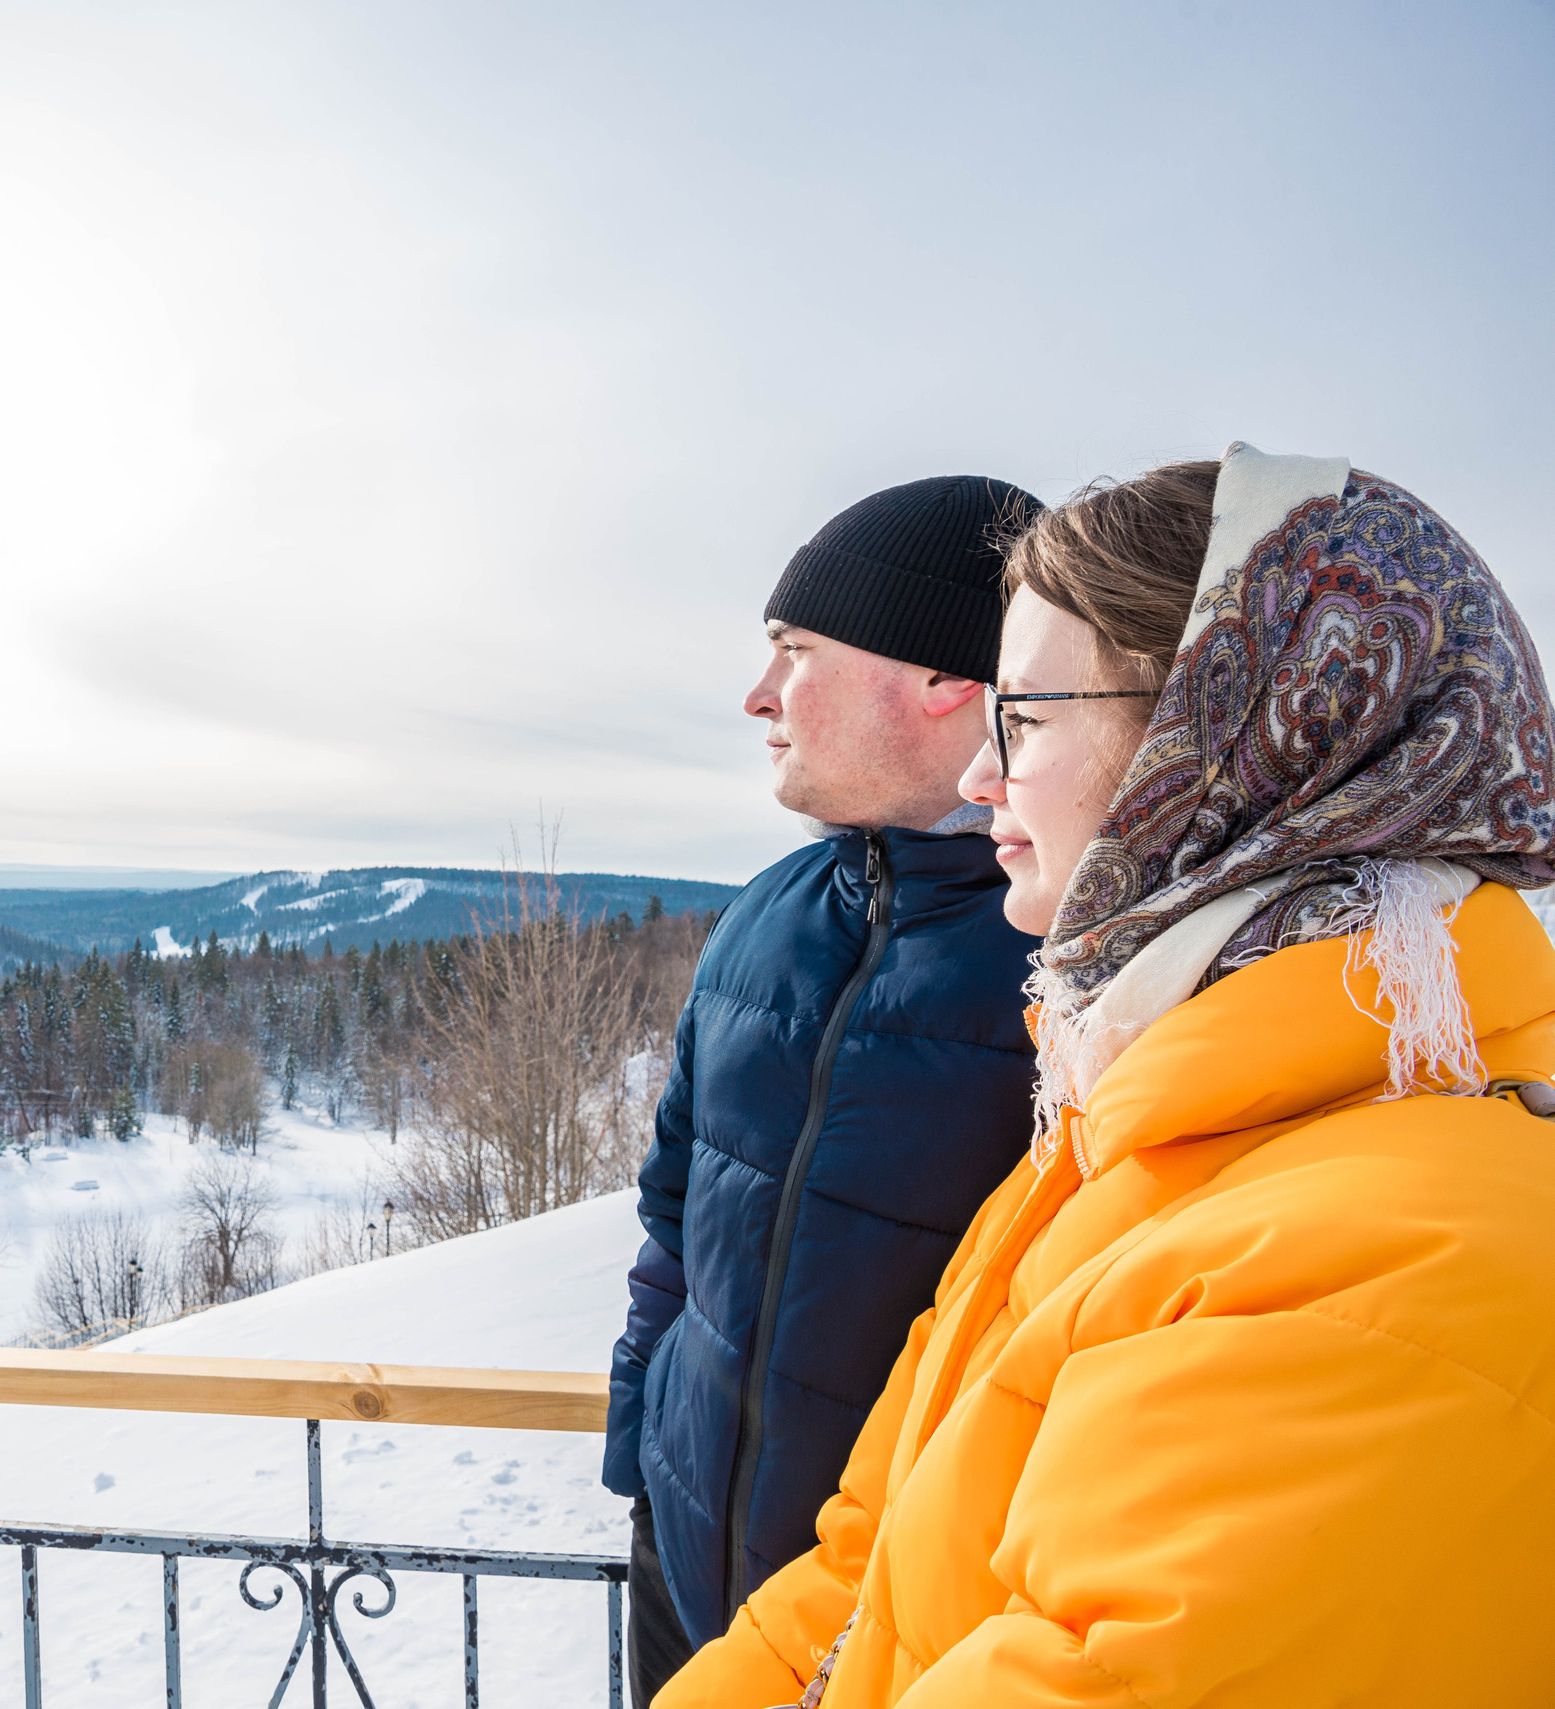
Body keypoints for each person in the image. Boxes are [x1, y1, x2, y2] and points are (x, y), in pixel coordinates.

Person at [660, 443, 1555, 1706]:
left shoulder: (1376, 1266)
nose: (981, 775)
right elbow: (873, 1566)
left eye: (1020, 718)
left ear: (1222, 738)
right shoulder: (1123, 1124)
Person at [608, 475, 1047, 1701]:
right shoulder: (766, 916)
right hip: (686, 1577)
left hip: (921, 1624)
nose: (758, 695)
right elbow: (673, 1218)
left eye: (793, 650)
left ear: (942, 675)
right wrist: (641, 1457)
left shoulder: (1083, 956)